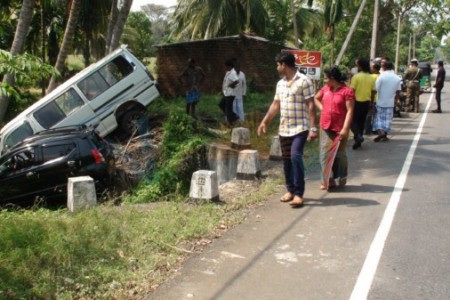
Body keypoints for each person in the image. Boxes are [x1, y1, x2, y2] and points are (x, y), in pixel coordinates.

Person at [257, 52, 317, 208]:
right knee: (287, 161)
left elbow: (311, 105)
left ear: (284, 64)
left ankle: (299, 194)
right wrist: (265, 122)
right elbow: (275, 105)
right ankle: (290, 190)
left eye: (278, 64)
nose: (277, 67)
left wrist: (313, 128)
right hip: (284, 128)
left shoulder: (304, 81)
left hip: (300, 128)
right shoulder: (280, 84)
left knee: (296, 156)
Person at [314, 66, 355, 190]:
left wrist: (345, 129)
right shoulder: (325, 89)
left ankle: (342, 176)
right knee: (324, 154)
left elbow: (350, 111)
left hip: (340, 127)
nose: (324, 80)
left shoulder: (347, 91)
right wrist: (323, 109)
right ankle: (327, 179)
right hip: (325, 125)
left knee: (339, 155)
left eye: (326, 78)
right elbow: (316, 98)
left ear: (333, 78)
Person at [350, 58, 376, 149]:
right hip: (366, 103)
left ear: (360, 66)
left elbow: (351, 91)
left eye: (357, 65)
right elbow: (373, 92)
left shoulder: (356, 77)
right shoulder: (371, 77)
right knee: (361, 122)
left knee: (352, 122)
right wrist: (372, 103)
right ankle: (358, 140)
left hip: (356, 102)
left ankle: (358, 136)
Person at [373, 61, 402, 142]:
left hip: (380, 101)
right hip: (390, 102)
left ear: (384, 67)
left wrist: (372, 100)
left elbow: (376, 89)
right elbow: (398, 91)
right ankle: (384, 135)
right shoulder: (397, 78)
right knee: (388, 120)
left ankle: (381, 132)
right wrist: (396, 100)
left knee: (379, 119)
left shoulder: (381, 77)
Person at [219, 59, 240, 125]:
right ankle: (234, 116)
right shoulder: (228, 72)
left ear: (229, 66)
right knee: (222, 104)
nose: (225, 68)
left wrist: (231, 85)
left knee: (228, 108)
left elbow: (237, 81)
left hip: (230, 94)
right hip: (227, 93)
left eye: (226, 66)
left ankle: (230, 122)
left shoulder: (233, 73)